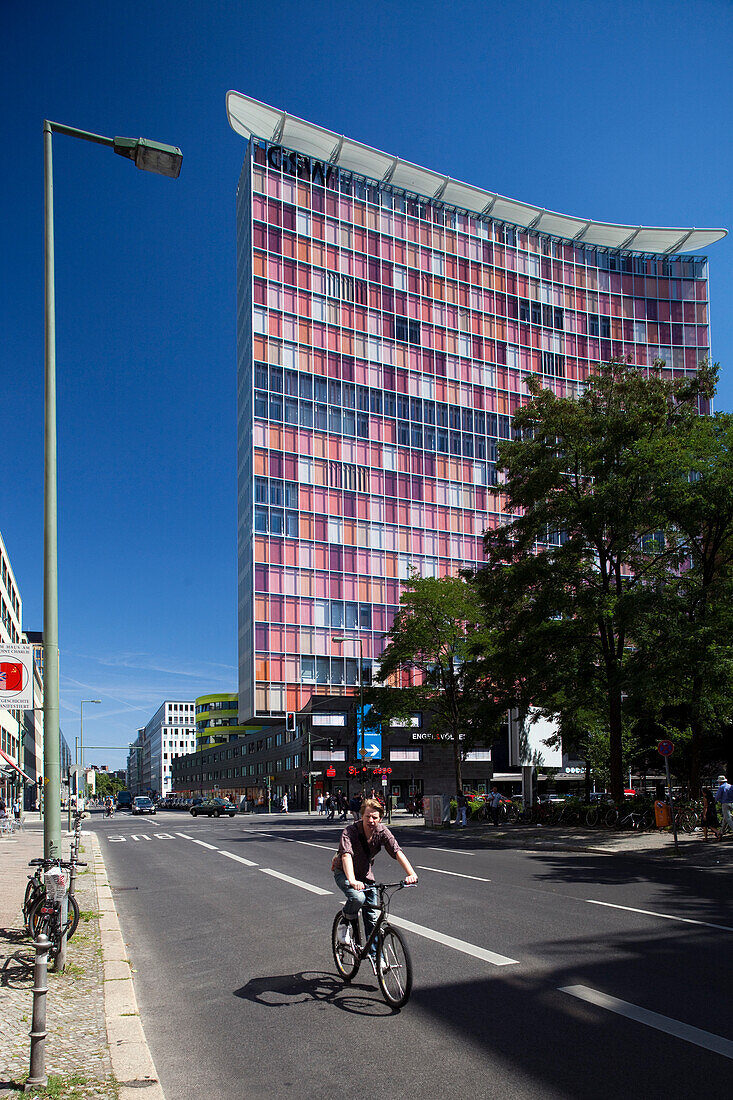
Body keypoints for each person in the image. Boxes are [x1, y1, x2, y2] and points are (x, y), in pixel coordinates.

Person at [333, 798, 418, 970]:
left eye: (375, 817)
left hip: (365, 876)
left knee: (372, 918)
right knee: (357, 898)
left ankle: (376, 957)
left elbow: (396, 851)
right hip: (344, 872)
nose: (371, 821)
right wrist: (351, 880)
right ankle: (344, 925)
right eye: (368, 817)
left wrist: (411, 874)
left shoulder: (382, 832)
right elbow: (346, 856)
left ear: (381, 818)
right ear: (361, 816)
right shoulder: (350, 831)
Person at [714, 774, 733, 838]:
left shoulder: (721, 787)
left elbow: (717, 796)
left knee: (728, 819)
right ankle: (721, 832)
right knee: (725, 818)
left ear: (720, 782)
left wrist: (715, 801)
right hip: (732, 802)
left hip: (725, 803)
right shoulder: (730, 786)